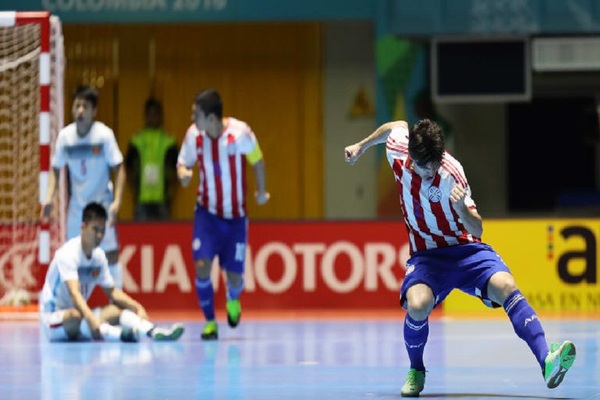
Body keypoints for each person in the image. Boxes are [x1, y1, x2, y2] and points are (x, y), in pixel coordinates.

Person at [344, 119, 576, 397]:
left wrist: (461, 208)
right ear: (411, 158)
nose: (431, 171)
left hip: (466, 251)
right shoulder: (398, 147)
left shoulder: (452, 173)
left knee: (506, 286)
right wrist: (361, 145)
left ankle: (546, 360)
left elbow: (478, 228)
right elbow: (395, 125)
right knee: (417, 306)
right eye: (425, 166)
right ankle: (416, 370)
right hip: (427, 258)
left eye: (435, 164)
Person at [177, 89, 270, 340]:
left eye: (195, 113)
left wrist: (262, 192)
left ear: (211, 118)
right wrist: (183, 174)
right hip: (206, 214)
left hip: (236, 218)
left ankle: (232, 298)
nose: (191, 117)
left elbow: (257, 161)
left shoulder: (240, 134)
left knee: (235, 277)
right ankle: (210, 323)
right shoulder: (194, 135)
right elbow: (183, 163)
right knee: (202, 266)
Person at [39, 202, 185, 342]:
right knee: (76, 316)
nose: (99, 236)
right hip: (53, 321)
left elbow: (113, 292)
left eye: (102, 230)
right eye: (95, 229)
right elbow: (75, 294)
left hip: (81, 317)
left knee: (115, 311)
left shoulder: (99, 256)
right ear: (83, 227)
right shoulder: (68, 253)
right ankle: (122, 335)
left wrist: (137, 307)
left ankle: (153, 331)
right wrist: (91, 318)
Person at [41, 85, 126, 289]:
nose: (80, 110)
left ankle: (118, 305)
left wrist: (117, 201)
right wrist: (49, 197)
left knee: (111, 254)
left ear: (94, 111)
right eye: (77, 105)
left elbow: (119, 167)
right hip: (77, 209)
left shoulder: (104, 135)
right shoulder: (65, 137)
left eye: (85, 106)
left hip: (101, 206)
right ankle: (70, 307)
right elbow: (55, 168)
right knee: (71, 257)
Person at [125, 98, 178, 221]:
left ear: (161, 116)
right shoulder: (135, 141)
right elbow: (128, 169)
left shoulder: (169, 142)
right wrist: (135, 189)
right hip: (141, 200)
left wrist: (170, 190)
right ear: (145, 116)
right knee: (140, 236)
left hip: (163, 200)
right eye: (150, 113)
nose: (153, 117)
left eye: (156, 114)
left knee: (164, 236)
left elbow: (176, 170)